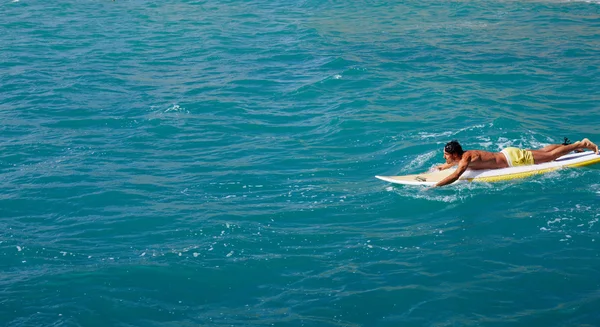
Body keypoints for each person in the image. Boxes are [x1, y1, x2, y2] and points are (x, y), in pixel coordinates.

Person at [434, 138, 599, 187]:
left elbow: (457, 175)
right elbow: (456, 164)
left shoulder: (465, 159)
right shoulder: (465, 154)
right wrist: (445, 166)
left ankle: (580, 144)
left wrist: (436, 186)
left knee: (550, 157)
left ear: (454, 153)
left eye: (446, 155)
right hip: (508, 152)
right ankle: (571, 146)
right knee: (543, 151)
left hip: (513, 160)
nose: (444, 157)